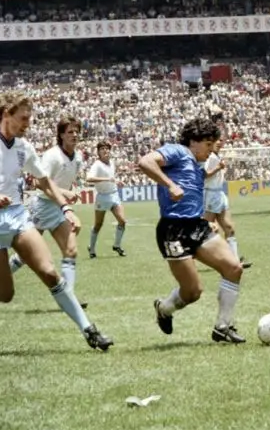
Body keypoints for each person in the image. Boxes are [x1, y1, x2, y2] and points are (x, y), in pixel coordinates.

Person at [0, 92, 112, 351]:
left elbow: (45, 180)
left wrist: (66, 207)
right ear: (6, 114)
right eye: (24, 118)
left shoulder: (25, 147)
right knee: (4, 294)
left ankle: (89, 331)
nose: (28, 124)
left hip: (16, 216)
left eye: (30, 118)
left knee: (49, 272)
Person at [138, 117, 246, 344]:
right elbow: (145, 162)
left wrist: (205, 220)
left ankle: (223, 327)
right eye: (208, 144)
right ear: (193, 141)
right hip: (172, 231)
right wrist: (169, 185)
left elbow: (192, 197)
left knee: (234, 268)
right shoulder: (177, 151)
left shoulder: (197, 166)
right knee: (192, 293)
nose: (211, 149)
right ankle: (164, 309)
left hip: (196, 226)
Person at [6, 115, 89, 309]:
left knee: (71, 250)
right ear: (61, 135)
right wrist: (66, 193)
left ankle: (68, 296)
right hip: (43, 206)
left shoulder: (77, 157)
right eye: (70, 132)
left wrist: (65, 196)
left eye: (77, 131)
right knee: (26, 256)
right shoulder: (52, 156)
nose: (75, 135)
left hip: (57, 206)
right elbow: (37, 183)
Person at [203, 138, 252, 268]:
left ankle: (234, 261)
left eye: (220, 140)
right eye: (216, 140)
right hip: (210, 194)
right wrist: (219, 167)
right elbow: (204, 174)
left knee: (229, 228)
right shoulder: (209, 157)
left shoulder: (216, 156)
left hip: (219, 193)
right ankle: (191, 255)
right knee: (207, 230)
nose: (219, 143)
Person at [85, 141, 127, 258]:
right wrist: (107, 179)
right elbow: (89, 178)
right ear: (98, 152)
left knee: (122, 221)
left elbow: (112, 178)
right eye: (102, 149)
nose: (105, 150)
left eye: (107, 149)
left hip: (114, 195)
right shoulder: (97, 164)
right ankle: (92, 249)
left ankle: (117, 245)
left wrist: (118, 182)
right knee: (98, 224)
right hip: (102, 197)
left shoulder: (112, 163)